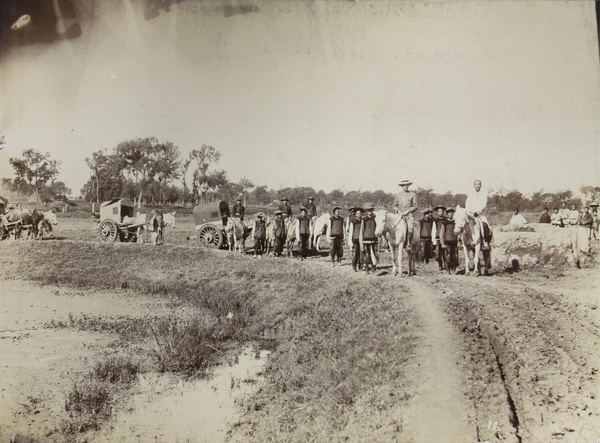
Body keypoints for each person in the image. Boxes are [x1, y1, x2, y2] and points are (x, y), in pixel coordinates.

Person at [392, 179, 418, 251]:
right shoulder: (398, 195)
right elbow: (394, 205)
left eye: (407, 185)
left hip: (408, 214)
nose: (406, 187)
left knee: (410, 226)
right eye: (404, 185)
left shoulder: (413, 194)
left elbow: (415, 206)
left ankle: (408, 243)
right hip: (399, 214)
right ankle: (390, 242)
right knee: (391, 226)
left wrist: (407, 211)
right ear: (402, 186)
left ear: (409, 186)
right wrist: (398, 211)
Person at [465, 179, 490, 248]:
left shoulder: (483, 194)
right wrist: (469, 211)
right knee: (463, 225)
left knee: (485, 226)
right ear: (474, 185)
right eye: (475, 184)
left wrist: (477, 212)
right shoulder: (471, 195)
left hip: (480, 215)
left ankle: (485, 242)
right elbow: (467, 204)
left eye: (478, 184)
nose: (477, 186)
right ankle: (463, 241)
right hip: (471, 215)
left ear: (481, 185)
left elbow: (484, 205)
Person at [439, 207, 459, 273]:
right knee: (448, 256)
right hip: (447, 242)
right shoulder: (444, 223)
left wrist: (459, 241)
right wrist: (442, 243)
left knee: (455, 256)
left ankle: (454, 268)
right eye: (449, 213)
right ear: (447, 214)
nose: (450, 214)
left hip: (455, 242)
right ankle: (448, 268)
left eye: (451, 213)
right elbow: (441, 233)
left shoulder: (456, 222)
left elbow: (459, 232)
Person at [360, 203, 378, 274]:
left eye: (370, 210)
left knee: (374, 254)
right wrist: (361, 241)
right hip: (366, 239)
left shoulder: (375, 219)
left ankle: (374, 267)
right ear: (367, 211)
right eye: (368, 211)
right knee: (367, 254)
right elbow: (362, 230)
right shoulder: (364, 219)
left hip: (373, 239)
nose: (369, 212)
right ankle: (367, 268)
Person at [347, 207, 363, 272]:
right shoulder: (353, 222)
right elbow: (351, 232)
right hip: (355, 239)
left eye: (360, 213)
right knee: (355, 254)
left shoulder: (362, 221)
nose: (359, 214)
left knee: (361, 254)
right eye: (358, 213)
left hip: (361, 240)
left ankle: (360, 266)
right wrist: (350, 242)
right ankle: (354, 266)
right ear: (355, 214)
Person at [431, 205, 446, 270]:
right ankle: (440, 265)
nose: (440, 212)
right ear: (437, 212)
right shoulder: (436, 220)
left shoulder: (446, 219)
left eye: (441, 211)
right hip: (438, 237)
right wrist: (434, 238)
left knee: (445, 252)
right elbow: (434, 229)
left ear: (443, 212)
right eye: (439, 211)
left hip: (445, 237)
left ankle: (446, 264)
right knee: (438, 252)